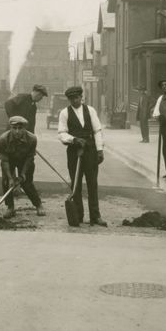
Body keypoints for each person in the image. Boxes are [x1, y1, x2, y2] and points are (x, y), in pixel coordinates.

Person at [57, 86, 106, 226]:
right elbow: (61, 133)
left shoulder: (90, 110)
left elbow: (97, 131)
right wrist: (74, 140)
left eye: (76, 97)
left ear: (81, 97)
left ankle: (95, 216)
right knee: (76, 184)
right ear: (69, 99)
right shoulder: (64, 113)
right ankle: (78, 215)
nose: (74, 100)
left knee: (92, 184)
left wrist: (99, 149)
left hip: (90, 151)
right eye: (71, 98)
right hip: (74, 152)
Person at [0, 115, 45, 218]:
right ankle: (10, 207)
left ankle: (38, 204)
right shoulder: (3, 139)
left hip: (25, 161)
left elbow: (30, 158)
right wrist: (11, 178)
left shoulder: (32, 139)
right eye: (14, 128)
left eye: (20, 128)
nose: (17, 131)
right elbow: (4, 160)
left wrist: (23, 174)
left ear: (25, 128)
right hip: (9, 160)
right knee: (6, 182)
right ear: (10, 128)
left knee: (26, 183)